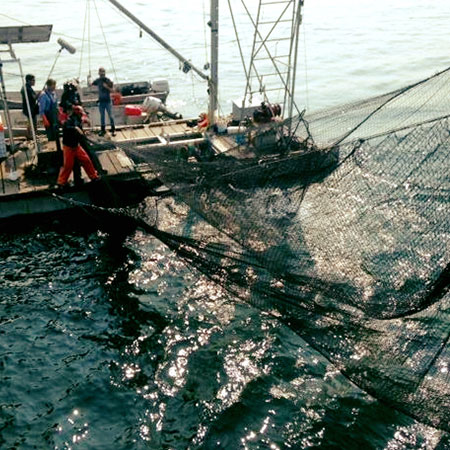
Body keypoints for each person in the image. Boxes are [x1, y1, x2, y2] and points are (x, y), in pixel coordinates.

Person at [56, 105, 100, 188]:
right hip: (69, 147)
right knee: (68, 165)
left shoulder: (78, 119)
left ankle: (94, 176)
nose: (82, 116)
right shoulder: (69, 121)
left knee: (86, 160)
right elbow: (66, 127)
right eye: (81, 114)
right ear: (77, 114)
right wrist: (75, 128)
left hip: (76, 146)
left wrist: (85, 126)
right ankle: (61, 182)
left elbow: (81, 126)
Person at [38, 78, 62, 155]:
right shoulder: (44, 95)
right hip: (48, 116)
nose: (54, 87)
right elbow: (41, 110)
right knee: (50, 133)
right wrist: (45, 120)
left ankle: (58, 148)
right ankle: (52, 149)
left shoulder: (54, 93)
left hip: (54, 115)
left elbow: (56, 104)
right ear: (48, 85)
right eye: (53, 85)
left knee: (56, 132)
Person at [91, 67, 115, 136]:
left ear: (105, 73)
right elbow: (92, 83)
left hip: (107, 101)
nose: (102, 73)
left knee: (110, 116)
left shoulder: (108, 80)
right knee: (102, 116)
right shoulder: (98, 80)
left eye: (103, 72)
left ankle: (113, 129)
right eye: (100, 72)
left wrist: (106, 87)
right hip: (101, 101)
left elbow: (112, 90)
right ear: (99, 73)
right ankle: (103, 130)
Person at [20, 74, 39, 139]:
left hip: (30, 109)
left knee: (31, 122)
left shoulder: (27, 87)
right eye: (33, 80)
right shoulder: (27, 89)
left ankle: (31, 135)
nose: (34, 82)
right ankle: (31, 135)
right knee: (32, 123)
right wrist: (39, 94)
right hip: (30, 109)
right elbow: (33, 98)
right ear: (28, 80)